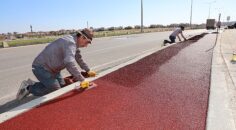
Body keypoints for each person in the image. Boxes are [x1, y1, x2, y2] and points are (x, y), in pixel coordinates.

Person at [16, 28, 96, 100]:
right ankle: (28, 88)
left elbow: (79, 59)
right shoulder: (70, 43)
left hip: (54, 69)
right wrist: (82, 80)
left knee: (62, 86)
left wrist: (88, 70)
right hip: (41, 67)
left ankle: (35, 84)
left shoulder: (75, 43)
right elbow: (69, 63)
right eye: (87, 42)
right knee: (56, 90)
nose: (86, 46)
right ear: (82, 37)